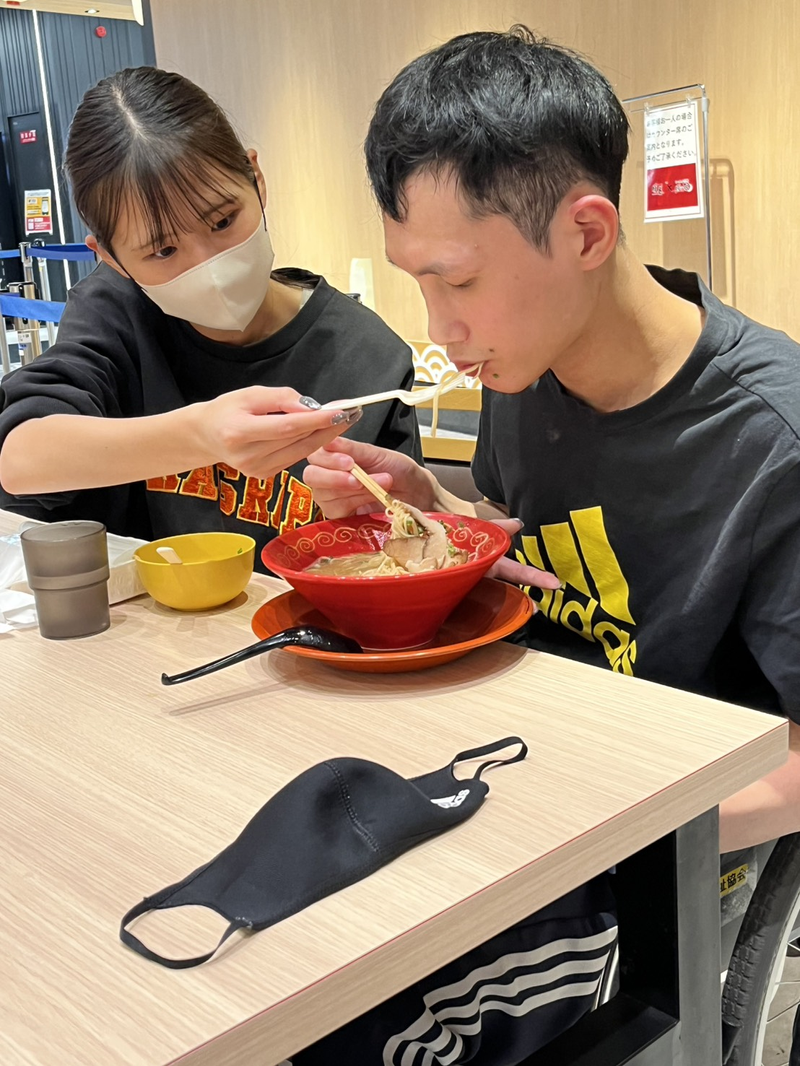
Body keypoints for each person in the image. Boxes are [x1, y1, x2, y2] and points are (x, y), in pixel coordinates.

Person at [296, 25, 800, 1064]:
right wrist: (426, 508)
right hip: (521, 770)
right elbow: (533, 543)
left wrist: (589, 839)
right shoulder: (527, 365)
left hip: (651, 865)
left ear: (586, 232)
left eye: (456, 281)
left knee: (357, 1028)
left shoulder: (771, 443)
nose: (438, 328)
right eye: (417, 281)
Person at [0, 67, 421, 564]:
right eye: (163, 251)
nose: (210, 265)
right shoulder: (117, 314)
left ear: (256, 180)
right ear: (111, 258)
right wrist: (201, 435)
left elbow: (405, 541)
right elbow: (21, 458)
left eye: (223, 220)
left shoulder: (368, 357)